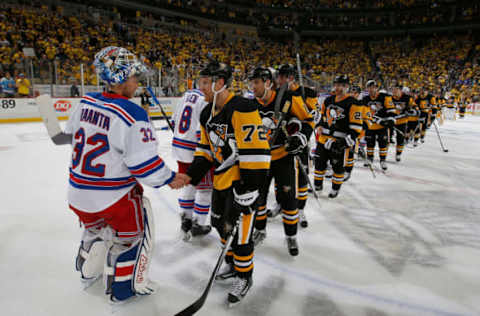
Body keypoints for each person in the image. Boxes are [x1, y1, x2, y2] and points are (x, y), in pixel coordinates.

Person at [63, 46, 187, 303]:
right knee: (132, 236)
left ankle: (87, 270)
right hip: (113, 198)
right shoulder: (133, 114)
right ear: (120, 78)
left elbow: (69, 134)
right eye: (133, 77)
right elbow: (143, 166)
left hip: (76, 194)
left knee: (94, 228)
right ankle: (125, 288)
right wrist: (170, 178)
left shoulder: (85, 102)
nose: (137, 82)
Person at [181, 61, 270, 306]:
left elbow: (258, 152)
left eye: (206, 82)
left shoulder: (242, 107)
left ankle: (245, 276)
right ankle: (231, 265)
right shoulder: (206, 113)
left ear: (220, 83)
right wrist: (191, 175)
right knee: (221, 224)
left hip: (243, 185)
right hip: (222, 180)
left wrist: (250, 189)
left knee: (242, 235)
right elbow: (205, 150)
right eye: (201, 82)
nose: (202, 87)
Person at [249, 66, 313, 255]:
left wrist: (301, 138)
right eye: (251, 83)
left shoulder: (288, 99)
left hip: (283, 157)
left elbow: (308, 121)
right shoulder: (250, 104)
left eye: (256, 83)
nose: (252, 87)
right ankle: (260, 230)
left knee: (288, 199)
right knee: (258, 199)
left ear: (268, 83)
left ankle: (291, 236)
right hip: (260, 159)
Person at [277, 63, 318, 228]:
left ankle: (300, 209)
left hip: (299, 141)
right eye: (278, 76)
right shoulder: (278, 93)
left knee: (301, 178)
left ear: (291, 77)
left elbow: (313, 117)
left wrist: (301, 134)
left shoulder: (307, 93)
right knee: (281, 178)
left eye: (282, 76)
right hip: (282, 143)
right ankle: (281, 204)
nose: (278, 80)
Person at [172, 88, 213, 239]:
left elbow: (173, 120)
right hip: (195, 150)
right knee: (205, 189)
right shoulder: (205, 100)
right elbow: (200, 131)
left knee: (188, 183)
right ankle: (199, 223)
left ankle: (186, 218)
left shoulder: (185, 96)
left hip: (179, 148)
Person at [314, 75, 363, 198]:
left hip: (339, 141)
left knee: (338, 167)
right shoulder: (328, 100)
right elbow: (322, 118)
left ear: (347, 87)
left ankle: (335, 189)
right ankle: (317, 187)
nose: (338, 88)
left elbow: (356, 128)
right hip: (323, 139)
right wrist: (319, 125)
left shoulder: (353, 103)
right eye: (336, 85)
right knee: (319, 165)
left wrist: (342, 143)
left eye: (342, 85)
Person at [362, 80, 395, 170]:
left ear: (377, 88)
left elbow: (391, 110)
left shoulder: (385, 97)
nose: (372, 89)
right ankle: (369, 158)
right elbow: (364, 113)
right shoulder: (365, 99)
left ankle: (383, 160)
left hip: (382, 126)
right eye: (370, 88)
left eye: (373, 87)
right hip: (370, 125)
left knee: (383, 143)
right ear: (367, 89)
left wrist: (390, 120)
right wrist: (374, 119)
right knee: (370, 143)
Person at [391, 84, 416, 162]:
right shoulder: (389, 98)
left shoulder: (407, 98)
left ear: (400, 90)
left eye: (396, 89)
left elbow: (414, 107)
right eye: (393, 89)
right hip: (391, 120)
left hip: (402, 120)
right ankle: (383, 156)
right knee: (386, 138)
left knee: (400, 139)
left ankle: (398, 154)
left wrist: (414, 110)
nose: (394, 91)